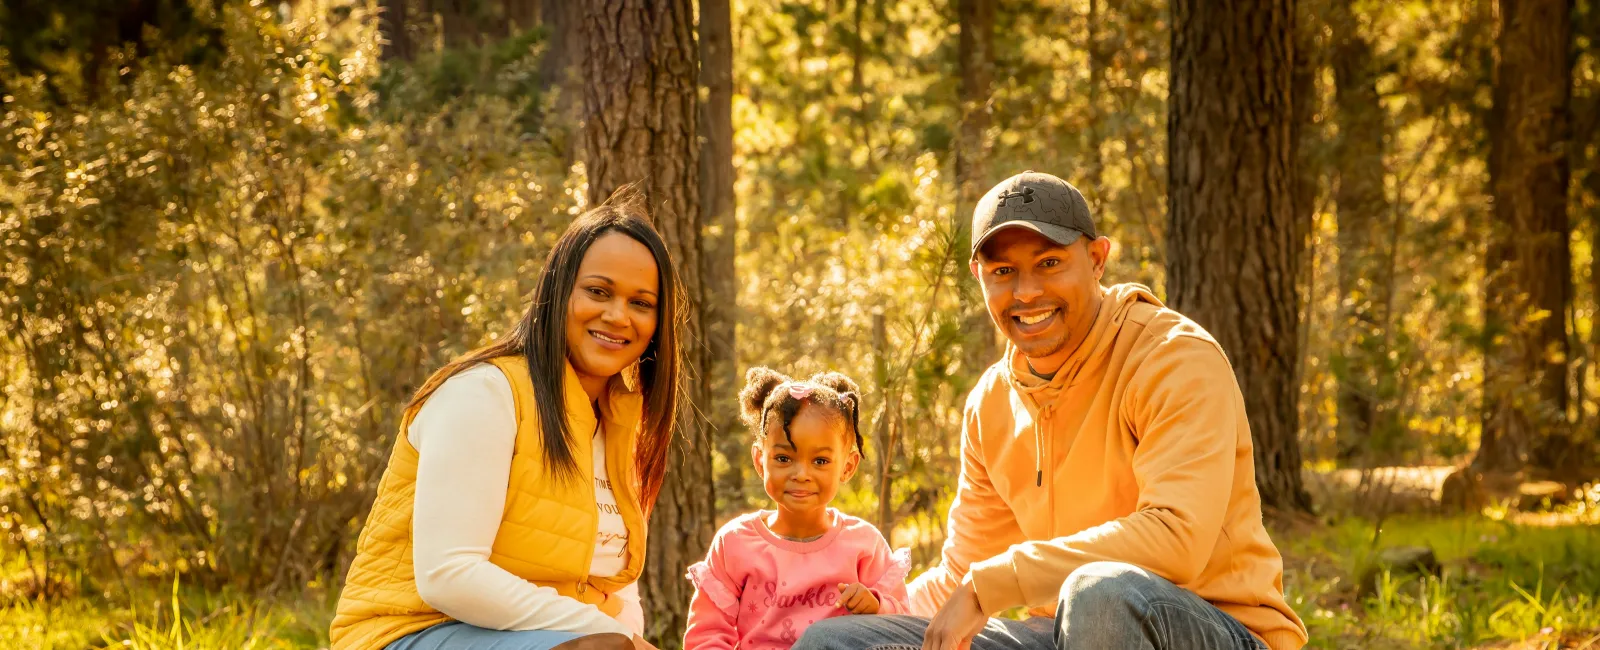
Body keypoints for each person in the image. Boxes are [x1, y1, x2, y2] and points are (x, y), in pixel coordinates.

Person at [794, 171, 1309, 650]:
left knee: (1101, 594)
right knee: (834, 643)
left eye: (1049, 263)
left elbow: (1177, 538)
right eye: (1003, 271)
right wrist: (869, 602)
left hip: (1217, 629)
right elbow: (962, 573)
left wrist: (989, 586)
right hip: (1061, 634)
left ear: (1098, 259)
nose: (1026, 292)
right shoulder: (991, 403)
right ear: (979, 276)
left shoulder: (1173, 358)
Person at [330, 196, 682, 650]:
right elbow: (448, 575)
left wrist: (626, 635)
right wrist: (616, 637)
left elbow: (615, 587)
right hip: (406, 633)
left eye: (641, 302)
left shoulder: (621, 423)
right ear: (558, 292)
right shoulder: (483, 394)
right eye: (598, 291)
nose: (617, 315)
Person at [683, 367, 912, 649]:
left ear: (848, 466)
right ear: (759, 460)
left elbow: (904, 626)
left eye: (820, 461)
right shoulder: (735, 544)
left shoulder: (864, 545)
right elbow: (706, 635)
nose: (801, 474)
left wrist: (877, 606)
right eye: (783, 458)